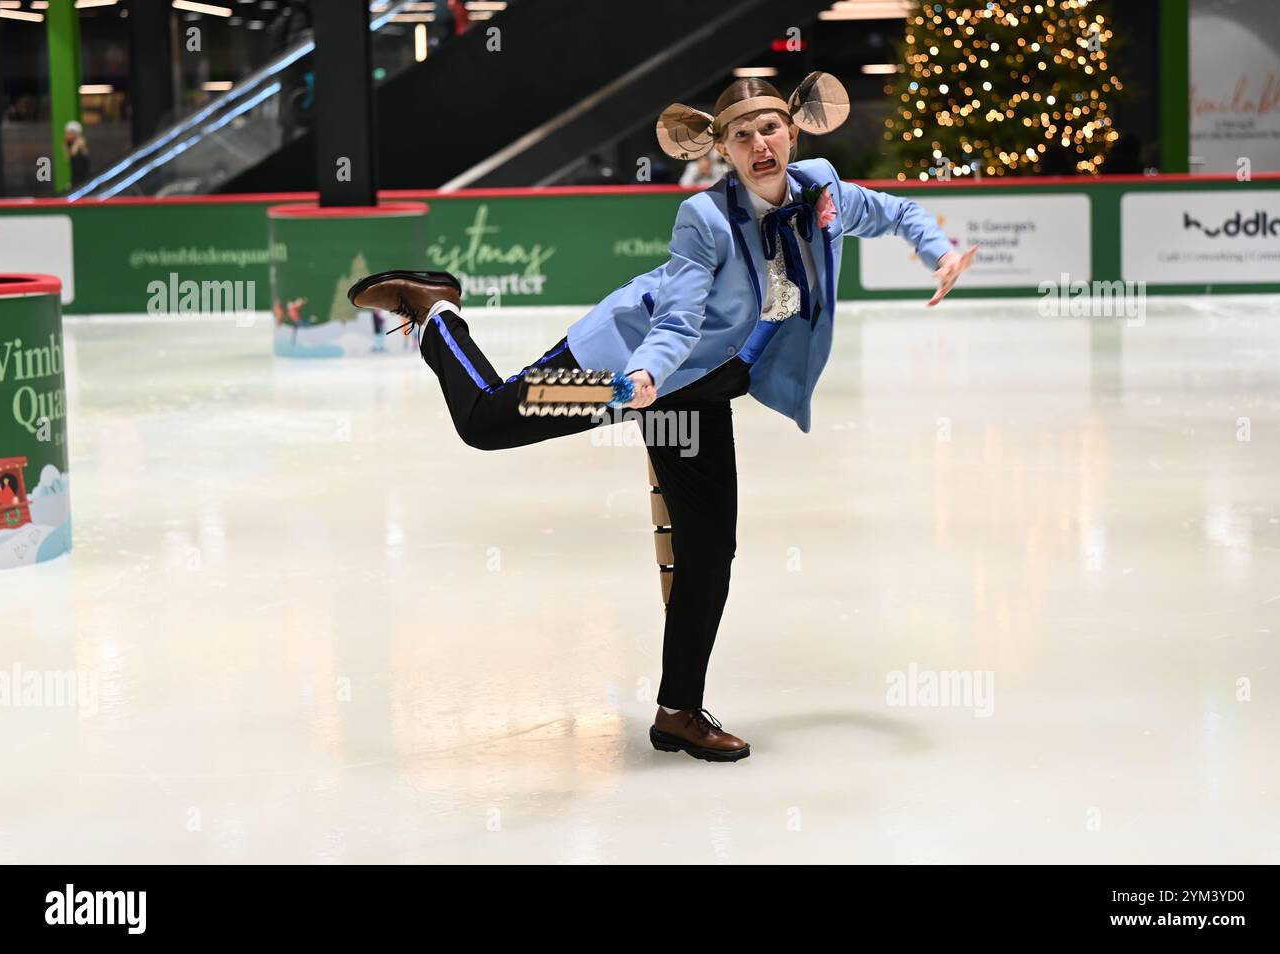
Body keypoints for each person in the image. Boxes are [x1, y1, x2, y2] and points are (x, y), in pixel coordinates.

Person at [348, 72, 977, 763]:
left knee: (709, 550)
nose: (759, 145)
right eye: (742, 136)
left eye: (769, 130)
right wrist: (643, 375)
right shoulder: (706, 218)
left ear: (792, 134)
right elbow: (681, 316)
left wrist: (940, 255)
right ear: (726, 152)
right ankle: (437, 309)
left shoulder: (822, 190)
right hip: (622, 367)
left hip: (700, 393)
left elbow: (895, 211)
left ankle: (679, 712)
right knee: (489, 420)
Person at [64, 120, 90, 189]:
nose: (67, 135)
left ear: (75, 134)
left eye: (69, 133)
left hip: (81, 185)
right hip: (77, 184)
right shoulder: (71, 147)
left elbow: (81, 172)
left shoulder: (79, 147)